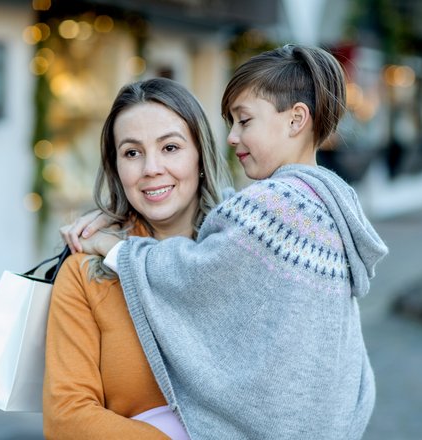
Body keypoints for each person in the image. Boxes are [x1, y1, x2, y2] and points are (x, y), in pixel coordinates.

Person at [70, 44, 389, 440]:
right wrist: (122, 214)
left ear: (296, 120)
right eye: (231, 123)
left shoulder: (274, 205)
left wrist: (117, 248)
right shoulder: (330, 208)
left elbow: (197, 274)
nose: (233, 137)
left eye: (244, 120)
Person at [42, 77, 232, 439]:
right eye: (132, 153)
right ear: (116, 169)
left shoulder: (241, 252)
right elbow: (66, 417)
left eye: (170, 148)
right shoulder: (86, 273)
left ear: (200, 155)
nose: (151, 168)